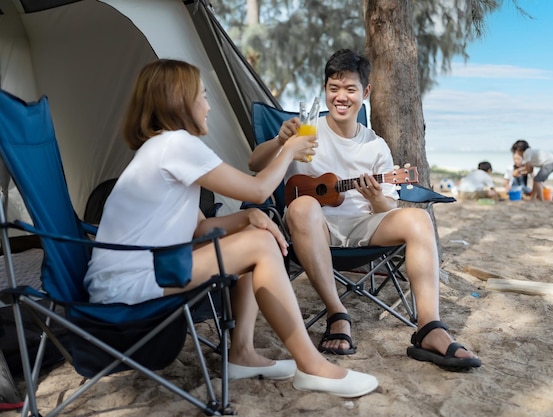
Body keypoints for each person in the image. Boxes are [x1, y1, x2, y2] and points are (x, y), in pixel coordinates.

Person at [83, 59, 378, 398]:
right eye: (203, 96)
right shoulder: (177, 144)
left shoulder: (160, 148)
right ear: (180, 100)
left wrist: (247, 219)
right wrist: (288, 149)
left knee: (255, 236)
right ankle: (311, 366)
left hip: (133, 275)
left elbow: (200, 227)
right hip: (129, 285)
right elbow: (257, 190)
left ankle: (241, 354)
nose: (208, 107)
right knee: (260, 246)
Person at [248, 49, 481, 371]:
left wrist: (374, 199)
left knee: (418, 218)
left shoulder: (375, 146)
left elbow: (386, 207)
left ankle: (429, 328)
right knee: (302, 205)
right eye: (334, 88)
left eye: (350, 89)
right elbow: (253, 164)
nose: (341, 97)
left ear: (365, 93)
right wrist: (280, 143)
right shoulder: (307, 131)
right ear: (325, 89)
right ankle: (336, 313)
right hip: (312, 228)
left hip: (362, 226)